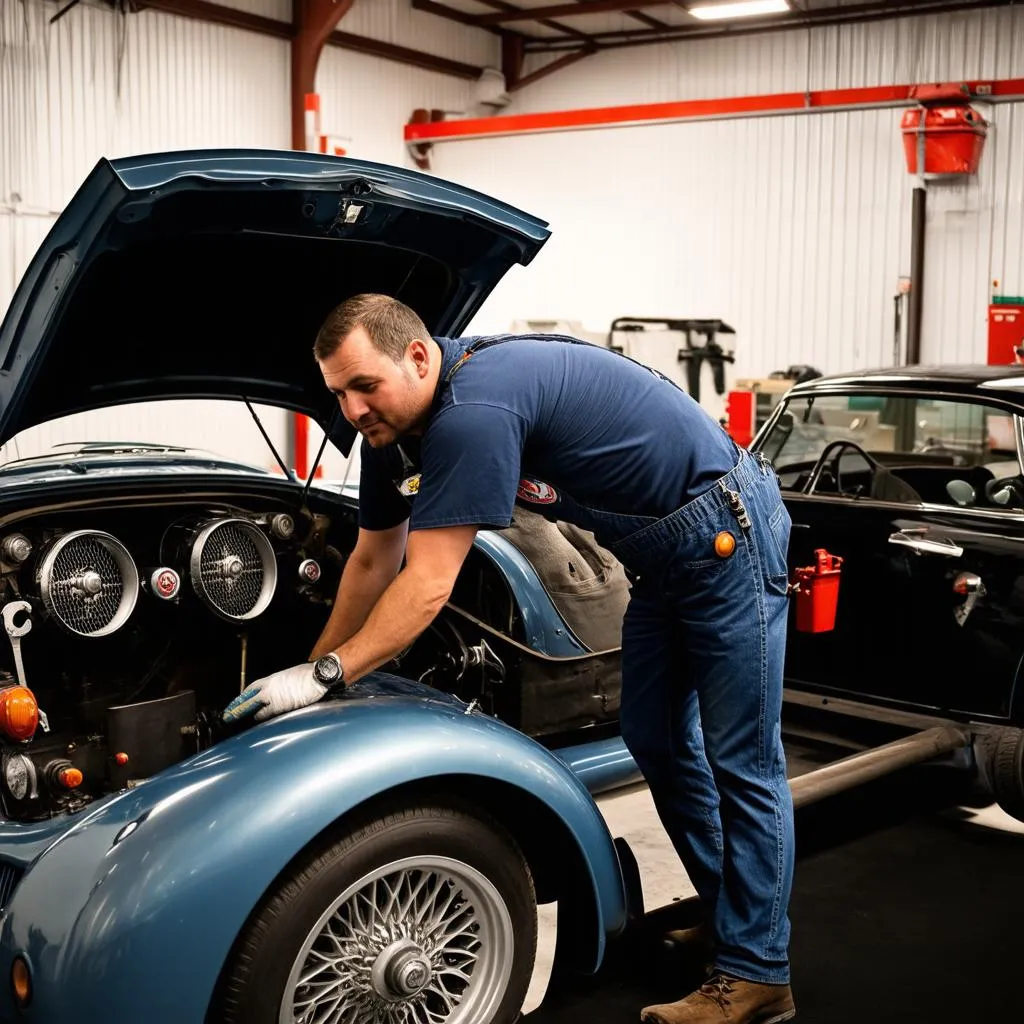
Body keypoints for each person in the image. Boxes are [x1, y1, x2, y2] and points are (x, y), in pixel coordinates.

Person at [222, 294, 797, 1024]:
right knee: (655, 737)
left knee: (741, 761)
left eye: (365, 384)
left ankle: (760, 975)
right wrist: (311, 672)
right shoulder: (391, 436)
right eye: (338, 392)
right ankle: (735, 926)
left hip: (725, 536)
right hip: (662, 559)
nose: (354, 407)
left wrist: (333, 675)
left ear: (421, 356)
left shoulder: (474, 411)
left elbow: (428, 582)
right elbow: (372, 561)